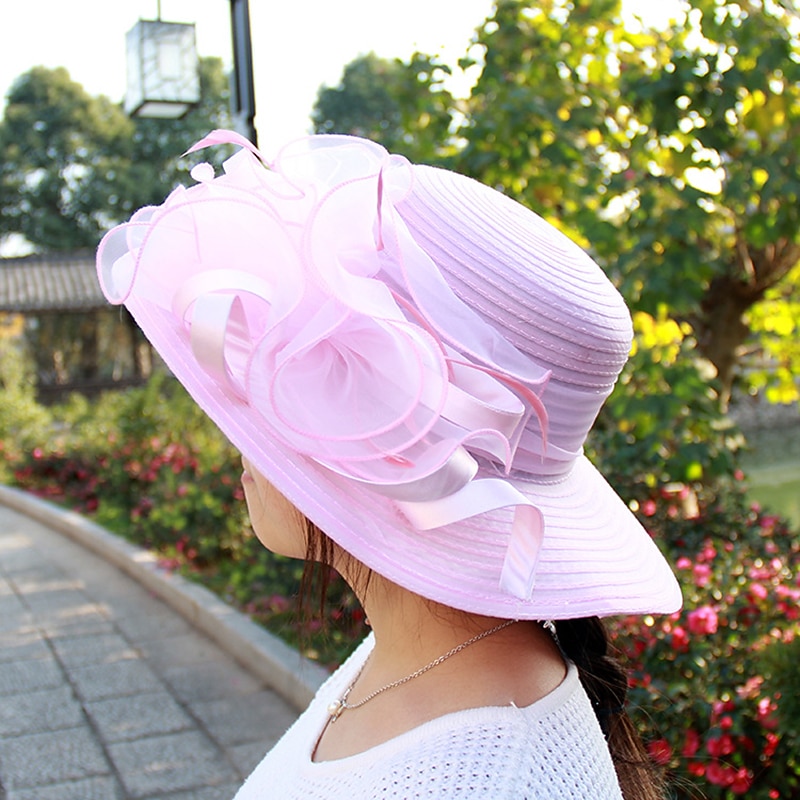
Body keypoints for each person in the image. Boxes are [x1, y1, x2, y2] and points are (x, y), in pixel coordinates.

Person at [96, 129, 682, 799]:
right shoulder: (420, 652)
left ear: (370, 438)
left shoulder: (488, 775)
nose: (241, 440)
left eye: (284, 390)